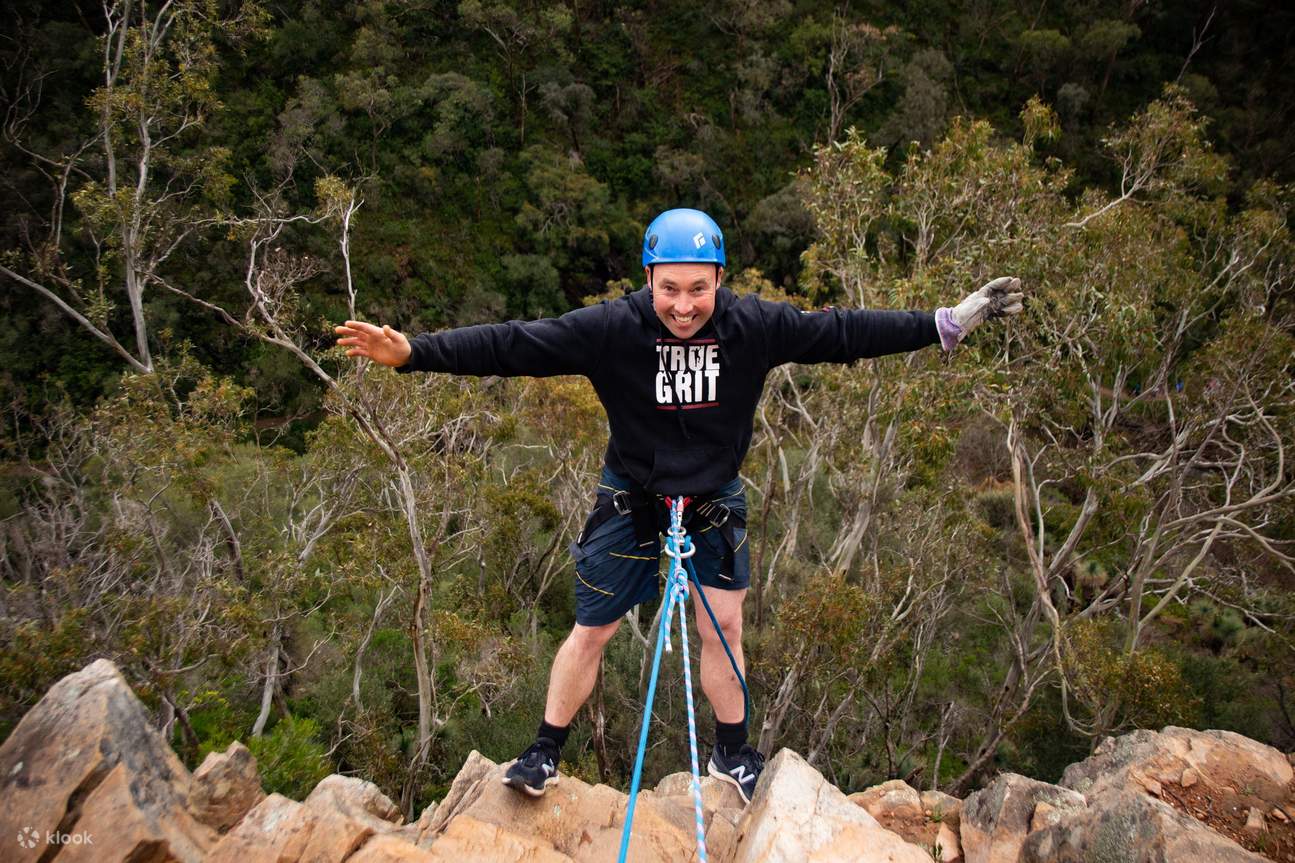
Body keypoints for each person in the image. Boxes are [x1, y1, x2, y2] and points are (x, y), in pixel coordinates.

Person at [334, 208, 1022, 804]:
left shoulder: (753, 325)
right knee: (593, 627)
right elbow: (516, 343)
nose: (684, 305)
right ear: (647, 279)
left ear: (719, 279)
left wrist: (944, 323)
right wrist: (415, 353)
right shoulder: (612, 328)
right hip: (630, 492)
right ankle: (544, 749)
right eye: (669, 289)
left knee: (721, 624)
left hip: (713, 495)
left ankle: (731, 752)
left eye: (698, 288)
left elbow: (842, 332)